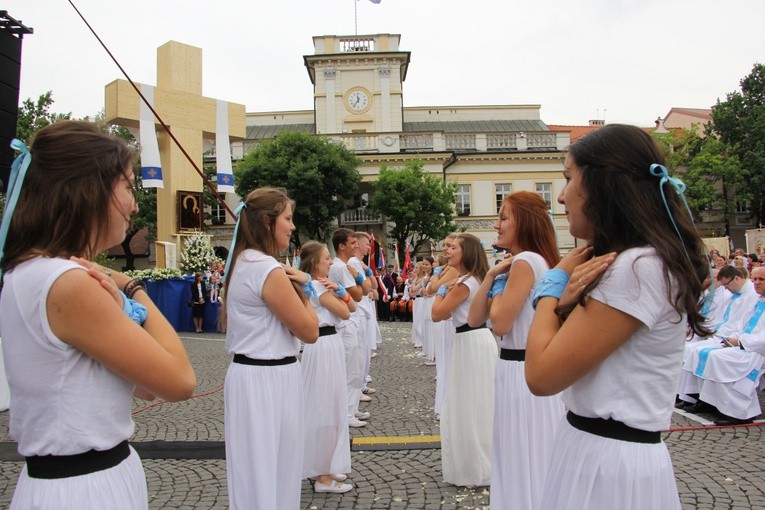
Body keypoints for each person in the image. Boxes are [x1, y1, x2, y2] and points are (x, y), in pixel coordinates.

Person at [0, 121, 196, 509]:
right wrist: (133, 290)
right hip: (84, 488)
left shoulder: (30, 272)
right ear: (90, 191)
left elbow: (143, 385)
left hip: (82, 480)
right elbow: (180, 382)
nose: (135, 203)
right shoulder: (68, 283)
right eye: (127, 185)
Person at [525, 124, 710, 509]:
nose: (560, 197)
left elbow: (541, 376)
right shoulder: (640, 261)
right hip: (598, 450)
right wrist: (560, 306)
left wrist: (551, 288)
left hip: (607, 461)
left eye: (567, 178)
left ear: (601, 185)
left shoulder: (638, 266)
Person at [222, 187, 319, 509]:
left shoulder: (242, 262)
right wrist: (305, 289)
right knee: (274, 468)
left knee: (256, 468)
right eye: (288, 219)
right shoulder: (266, 268)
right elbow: (309, 331)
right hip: (269, 378)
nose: (292, 227)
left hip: (254, 374)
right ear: (267, 221)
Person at [467, 191, 565, 510]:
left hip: (520, 369)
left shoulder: (525, 262)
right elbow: (473, 317)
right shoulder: (527, 262)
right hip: (515, 367)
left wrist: (501, 284)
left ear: (524, 222)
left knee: (523, 453)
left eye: (504, 217)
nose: (497, 225)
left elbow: (499, 322)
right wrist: (494, 274)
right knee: (525, 451)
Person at [431, 233, 497, 487]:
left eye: (454, 248)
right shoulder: (475, 279)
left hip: (470, 342)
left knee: (468, 403)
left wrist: (441, 292)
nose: (448, 252)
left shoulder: (462, 283)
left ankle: (474, 465)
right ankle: (481, 461)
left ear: (467, 252)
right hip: (476, 340)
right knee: (479, 401)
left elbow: (437, 314)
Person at [298, 241, 355, 493]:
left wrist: (342, 292)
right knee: (325, 407)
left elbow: (350, 306)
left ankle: (323, 465)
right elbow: (344, 313)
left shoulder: (320, 284)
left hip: (326, 344)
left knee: (330, 405)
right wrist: (340, 295)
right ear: (314, 263)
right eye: (326, 259)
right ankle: (321, 475)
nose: (330, 262)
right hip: (323, 344)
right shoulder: (317, 285)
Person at [328, 228, 367, 427]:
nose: (357, 246)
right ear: (341, 246)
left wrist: (359, 281)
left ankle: (351, 409)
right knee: (350, 370)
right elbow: (359, 295)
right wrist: (359, 282)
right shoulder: (340, 268)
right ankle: (347, 414)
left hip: (351, 320)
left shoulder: (343, 267)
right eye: (352, 243)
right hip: (346, 322)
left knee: (356, 367)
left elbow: (363, 290)